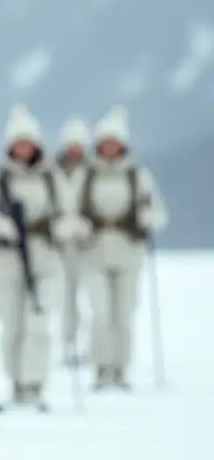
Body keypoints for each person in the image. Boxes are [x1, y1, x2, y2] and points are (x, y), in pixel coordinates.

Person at [0, 105, 78, 410]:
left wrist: (63, 227)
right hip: (10, 261)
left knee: (37, 323)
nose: (22, 148)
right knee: (11, 325)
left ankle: (35, 383)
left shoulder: (52, 178)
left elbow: (71, 212)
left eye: (27, 142)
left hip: (46, 259)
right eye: (17, 142)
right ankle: (15, 382)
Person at [78, 106, 168, 389]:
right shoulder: (86, 176)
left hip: (129, 253)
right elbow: (69, 210)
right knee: (101, 314)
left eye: (114, 142)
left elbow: (160, 212)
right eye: (105, 142)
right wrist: (75, 226)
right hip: (94, 254)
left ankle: (120, 369)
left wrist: (149, 218)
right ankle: (101, 368)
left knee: (124, 315)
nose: (109, 147)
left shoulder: (139, 177)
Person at [56, 117, 92, 363]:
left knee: (94, 299)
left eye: (78, 145)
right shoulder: (52, 172)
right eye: (71, 145)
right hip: (60, 246)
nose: (74, 150)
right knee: (65, 297)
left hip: (90, 247)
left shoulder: (93, 172)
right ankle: (68, 343)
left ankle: (93, 346)